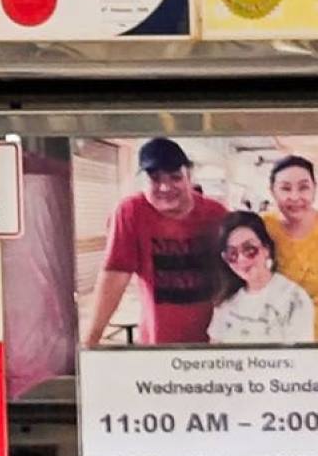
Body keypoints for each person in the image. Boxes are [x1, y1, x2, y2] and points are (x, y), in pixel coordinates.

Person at [83, 137, 229, 346]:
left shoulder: (217, 214)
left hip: (214, 343)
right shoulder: (131, 212)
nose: (165, 187)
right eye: (155, 178)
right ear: (143, 181)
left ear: (190, 175)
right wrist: (90, 341)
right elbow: (114, 277)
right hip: (158, 347)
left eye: (175, 177)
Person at [209, 211, 317, 346]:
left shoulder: (293, 299)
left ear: (266, 249)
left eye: (249, 249)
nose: (242, 259)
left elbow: (300, 360)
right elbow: (215, 352)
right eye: (233, 253)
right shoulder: (226, 301)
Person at [264, 154, 318, 333]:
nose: (295, 197)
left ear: (314, 189)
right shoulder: (263, 228)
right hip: (278, 334)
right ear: (272, 191)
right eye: (285, 188)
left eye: (303, 188)